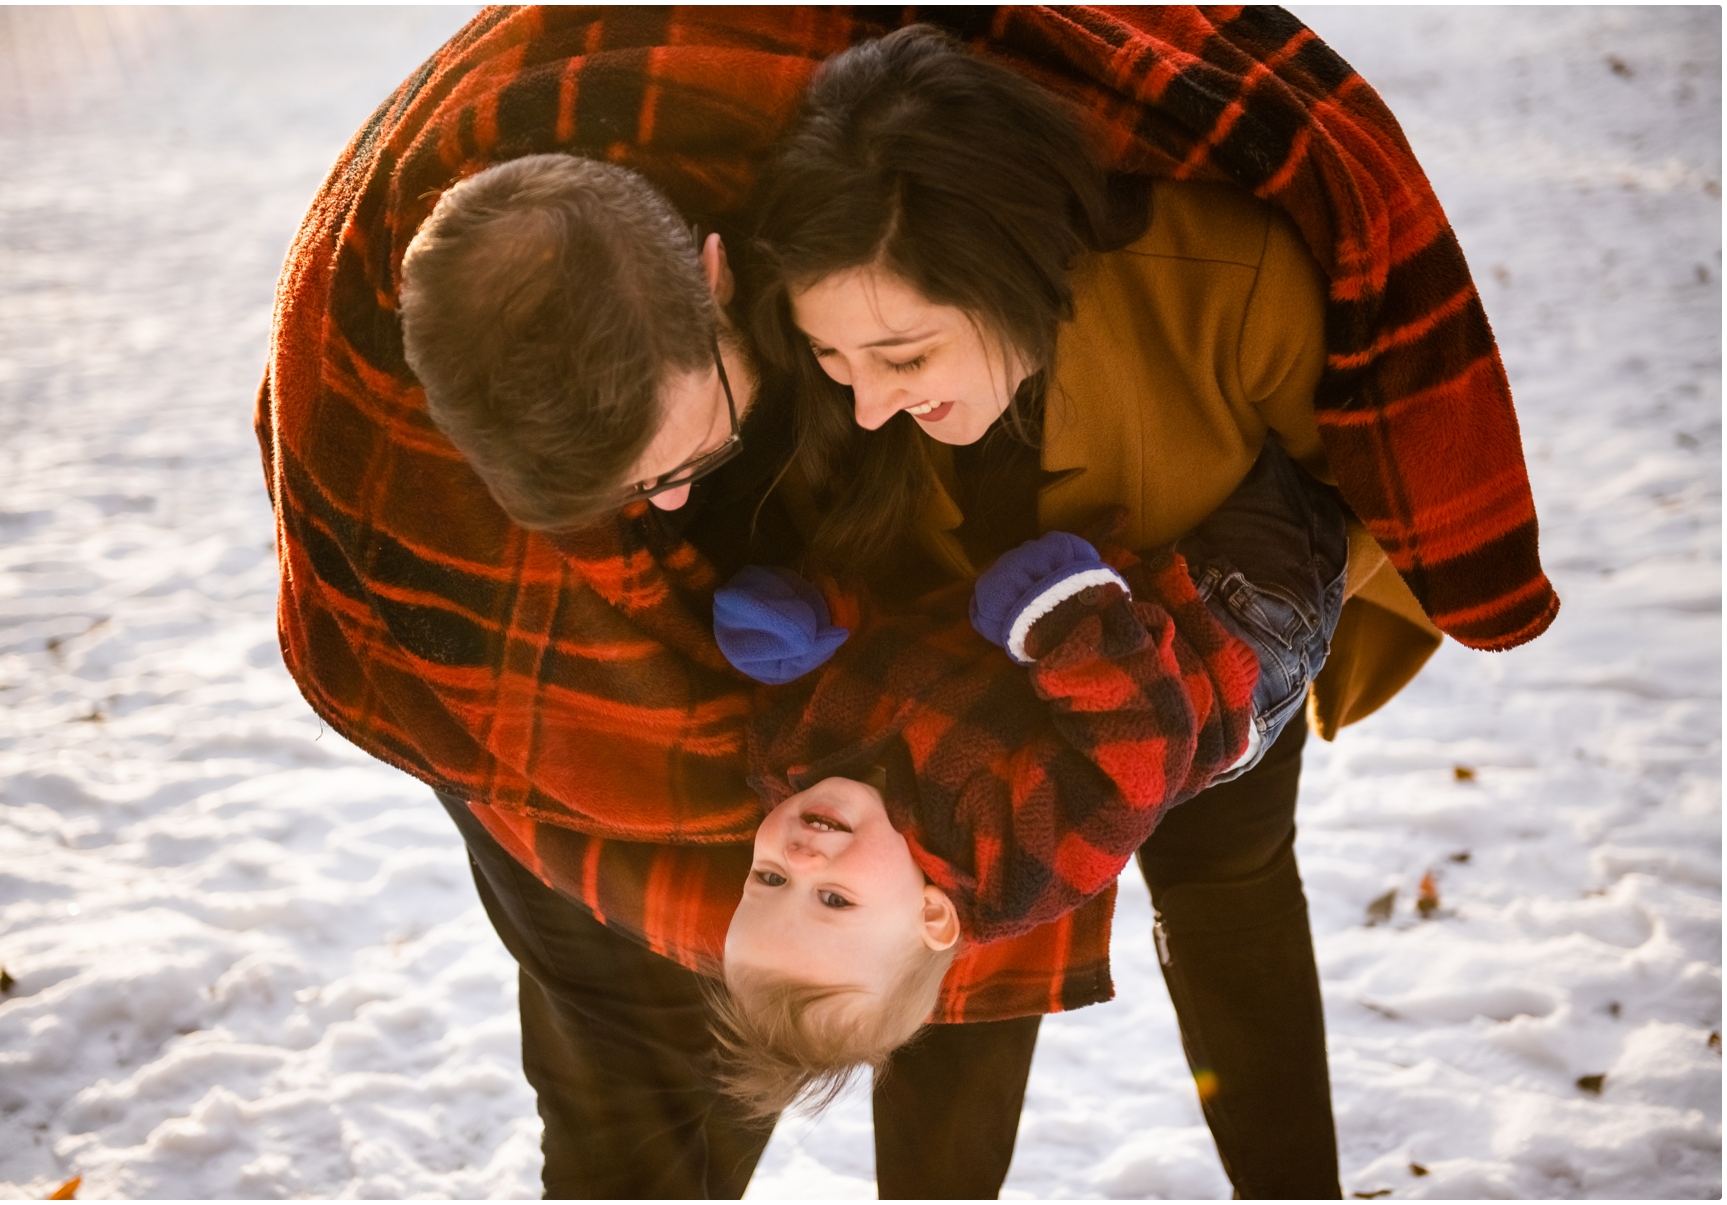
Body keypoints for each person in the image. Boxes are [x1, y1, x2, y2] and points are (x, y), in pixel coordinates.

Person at [259, 8, 1557, 1199]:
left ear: (722, 279)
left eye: (681, 463)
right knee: (779, 1010)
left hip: (1189, 620)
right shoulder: (443, 435)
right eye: (838, 363)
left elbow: (1332, 485)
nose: (659, 509)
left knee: (1217, 874)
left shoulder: (1128, 276)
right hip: (1054, 646)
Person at [712, 433, 1349, 1118]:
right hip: (1229, 637)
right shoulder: (1012, 866)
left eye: (770, 879)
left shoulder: (788, 757)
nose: (800, 856)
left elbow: (866, 650)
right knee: (1286, 462)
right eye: (833, 898)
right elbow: (1137, 755)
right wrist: (1063, 626)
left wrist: (800, 634)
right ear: (932, 914)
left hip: (1078, 601)